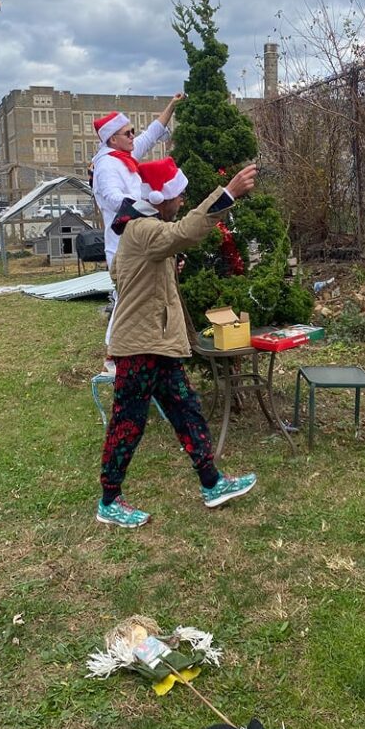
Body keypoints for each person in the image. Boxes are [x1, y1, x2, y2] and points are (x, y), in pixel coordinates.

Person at [96, 157, 258, 528]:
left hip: (159, 343)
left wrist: (165, 266)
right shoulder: (143, 229)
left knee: (187, 410)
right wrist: (227, 194)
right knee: (128, 423)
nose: (183, 200)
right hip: (139, 346)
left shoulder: (140, 232)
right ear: (161, 197)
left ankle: (212, 483)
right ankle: (109, 500)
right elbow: (183, 233)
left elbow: (123, 273)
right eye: (179, 195)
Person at [91, 94, 183, 372]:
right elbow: (112, 198)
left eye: (132, 131)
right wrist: (150, 206)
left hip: (139, 241)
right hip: (122, 245)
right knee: (126, 299)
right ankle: (113, 355)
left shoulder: (124, 156)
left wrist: (171, 105)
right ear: (112, 139)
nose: (133, 136)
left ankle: (135, 350)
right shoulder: (107, 166)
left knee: (137, 299)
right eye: (127, 133)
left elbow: (151, 134)